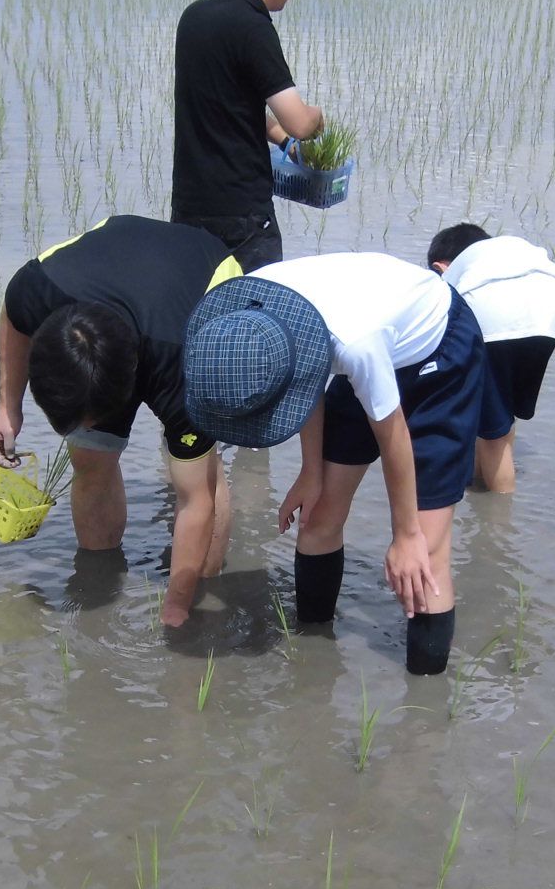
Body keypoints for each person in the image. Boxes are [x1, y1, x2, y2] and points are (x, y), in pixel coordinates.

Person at [181, 253, 509, 676]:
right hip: (364, 337)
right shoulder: (239, 319)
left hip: (438, 354)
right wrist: (310, 472)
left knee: (426, 549)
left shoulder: (356, 342)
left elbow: (393, 436)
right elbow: (302, 380)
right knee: (317, 518)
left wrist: (405, 534)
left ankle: (424, 714)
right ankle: (314, 659)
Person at [0, 215, 242, 627]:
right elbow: (13, 319)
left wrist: (177, 606)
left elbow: (197, 502)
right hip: (112, 282)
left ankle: (202, 591)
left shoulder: (186, 366)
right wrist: (8, 408)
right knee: (89, 456)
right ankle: (97, 578)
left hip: (203, 286)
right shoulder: (39, 289)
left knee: (202, 476)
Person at [171, 0, 325, 272]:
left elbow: (225, 106)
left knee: (194, 316)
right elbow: (300, 123)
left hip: (189, 208)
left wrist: (277, 136)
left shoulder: (194, 17)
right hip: (242, 219)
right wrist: (316, 119)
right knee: (253, 322)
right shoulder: (253, 27)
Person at [424, 223, 555, 491]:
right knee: (501, 416)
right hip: (548, 320)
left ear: (440, 266)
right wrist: (542, 329)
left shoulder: (456, 270)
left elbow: (440, 319)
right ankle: (478, 482)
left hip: (492, 323)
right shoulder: (519, 249)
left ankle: (498, 523)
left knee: (492, 439)